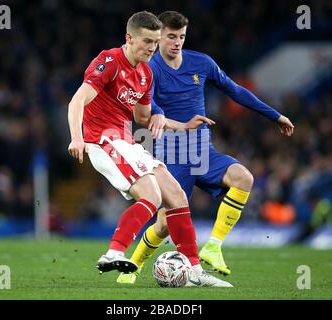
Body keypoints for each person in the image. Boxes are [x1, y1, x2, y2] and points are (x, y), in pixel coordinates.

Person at [117, 11, 294, 284]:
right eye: (171, 36)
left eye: (182, 37)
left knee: (243, 178)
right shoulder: (148, 69)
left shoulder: (202, 63)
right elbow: (149, 105)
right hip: (171, 153)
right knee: (163, 224)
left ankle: (213, 246)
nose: (177, 42)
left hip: (202, 150)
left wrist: (275, 115)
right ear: (159, 37)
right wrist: (162, 115)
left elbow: (235, 90)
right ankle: (135, 264)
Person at [67, 11, 232, 287]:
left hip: (127, 140)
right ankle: (113, 253)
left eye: (155, 42)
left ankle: (193, 270)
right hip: (102, 138)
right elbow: (77, 101)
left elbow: (144, 118)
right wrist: (76, 138)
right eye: (147, 41)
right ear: (129, 38)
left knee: (176, 195)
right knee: (152, 195)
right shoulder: (109, 61)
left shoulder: (145, 74)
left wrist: (181, 125)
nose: (152, 48)